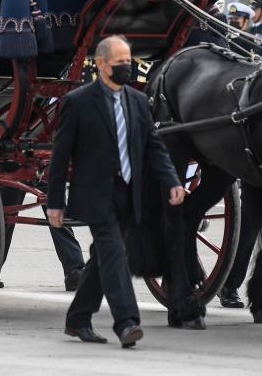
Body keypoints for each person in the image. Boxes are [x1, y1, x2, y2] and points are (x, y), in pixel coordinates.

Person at [47, 35, 184, 347]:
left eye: (128, 61)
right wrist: (55, 202)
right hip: (95, 193)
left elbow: (153, 147)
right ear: (100, 65)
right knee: (114, 251)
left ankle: (78, 318)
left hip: (129, 192)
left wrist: (172, 180)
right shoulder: (78, 102)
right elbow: (59, 157)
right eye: (120, 63)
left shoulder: (136, 102)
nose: (127, 67)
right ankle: (126, 323)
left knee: (101, 256)